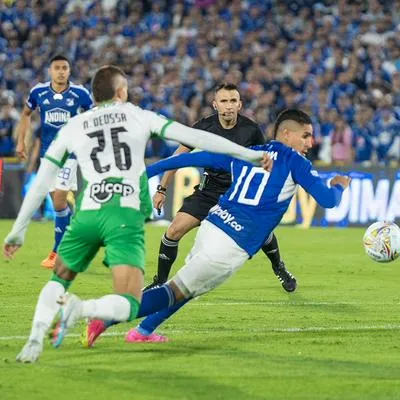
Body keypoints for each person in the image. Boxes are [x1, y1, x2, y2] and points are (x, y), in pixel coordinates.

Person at [3, 65, 270, 363]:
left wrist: (18, 230)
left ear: (92, 95)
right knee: (130, 303)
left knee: (57, 281)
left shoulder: (74, 125)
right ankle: (81, 309)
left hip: (88, 214)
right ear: (120, 92)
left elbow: (42, 180)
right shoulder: (139, 116)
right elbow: (202, 140)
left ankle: (34, 341)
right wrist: (251, 155)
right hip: (122, 217)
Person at [77, 109, 351, 347]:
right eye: (306, 135)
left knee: (192, 285)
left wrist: (147, 172)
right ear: (287, 134)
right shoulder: (296, 162)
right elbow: (328, 200)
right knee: (176, 290)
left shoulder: (249, 153)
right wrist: (339, 184)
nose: (310, 142)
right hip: (231, 245)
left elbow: (193, 158)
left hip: (212, 226)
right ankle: (107, 315)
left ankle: (143, 331)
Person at [147, 83, 296, 293]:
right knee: (173, 231)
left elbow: (263, 161)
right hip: (208, 192)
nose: (228, 106)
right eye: (224, 101)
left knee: (262, 233)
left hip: (237, 194)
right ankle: (160, 281)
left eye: (233, 101)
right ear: (215, 105)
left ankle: (278, 267)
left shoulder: (251, 130)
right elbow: (179, 156)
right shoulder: (204, 127)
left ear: (240, 105)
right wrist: (162, 189)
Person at [15, 54, 94, 269]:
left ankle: (57, 253)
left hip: (70, 154)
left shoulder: (80, 94)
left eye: (64, 67)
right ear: (50, 70)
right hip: (48, 157)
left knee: (59, 199)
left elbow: (94, 120)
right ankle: (74, 233)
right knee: (58, 205)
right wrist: (22, 142)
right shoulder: (38, 92)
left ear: (69, 70)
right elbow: (25, 114)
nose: (61, 71)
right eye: (57, 67)